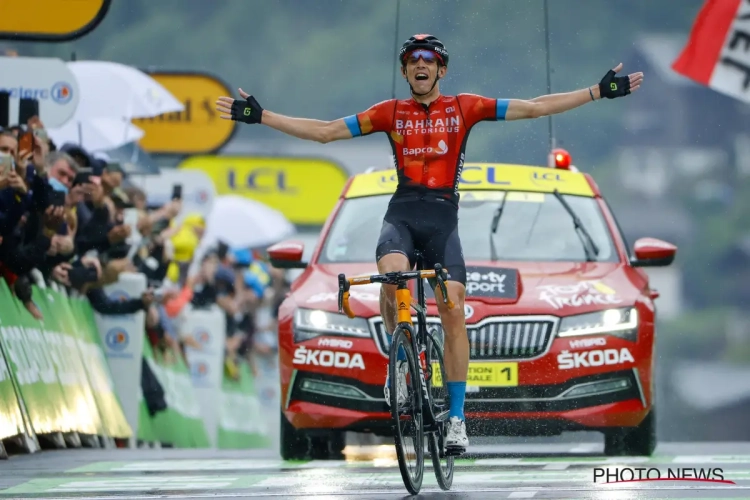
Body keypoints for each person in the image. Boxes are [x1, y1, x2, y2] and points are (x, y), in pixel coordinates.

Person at [215, 34, 643, 455]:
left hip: (442, 221)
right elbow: (325, 133)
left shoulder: (465, 107)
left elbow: (534, 108)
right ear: (404, 71)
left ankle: (456, 419)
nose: (421, 65)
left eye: (430, 59)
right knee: (391, 277)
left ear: (442, 69)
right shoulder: (388, 113)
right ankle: (400, 365)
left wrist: (596, 92)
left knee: (454, 307)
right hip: (401, 215)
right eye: (413, 60)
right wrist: (261, 116)